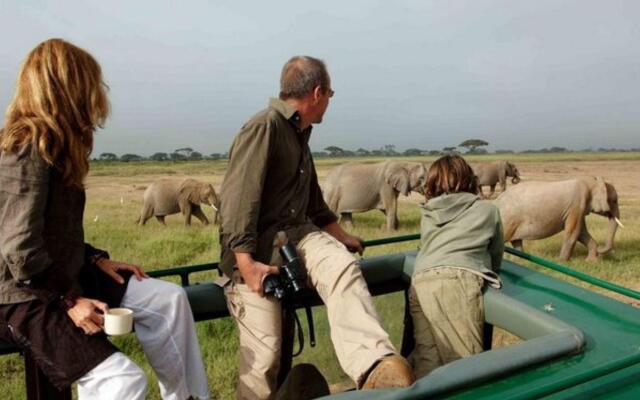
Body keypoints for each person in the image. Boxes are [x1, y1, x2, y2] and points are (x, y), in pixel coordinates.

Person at [0, 39, 209, 400]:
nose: (99, 94)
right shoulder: (26, 147)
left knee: (169, 301)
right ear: (68, 87)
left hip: (62, 272)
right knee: (122, 382)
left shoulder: (55, 145)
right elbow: (19, 250)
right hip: (26, 293)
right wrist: (69, 301)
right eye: (92, 83)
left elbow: (51, 230)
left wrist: (94, 258)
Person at [219, 55, 415, 400]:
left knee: (342, 268)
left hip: (299, 236)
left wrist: (341, 236)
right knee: (264, 360)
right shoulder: (264, 127)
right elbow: (238, 200)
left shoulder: (300, 135)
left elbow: (313, 205)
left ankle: (373, 366)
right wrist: (245, 264)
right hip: (260, 250)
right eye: (330, 95)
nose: (329, 103)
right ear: (318, 92)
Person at [409, 155, 504, 378]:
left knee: (427, 360)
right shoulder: (487, 211)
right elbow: (496, 252)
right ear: (469, 179)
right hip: (456, 283)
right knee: (465, 366)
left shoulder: (428, 212)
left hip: (420, 282)